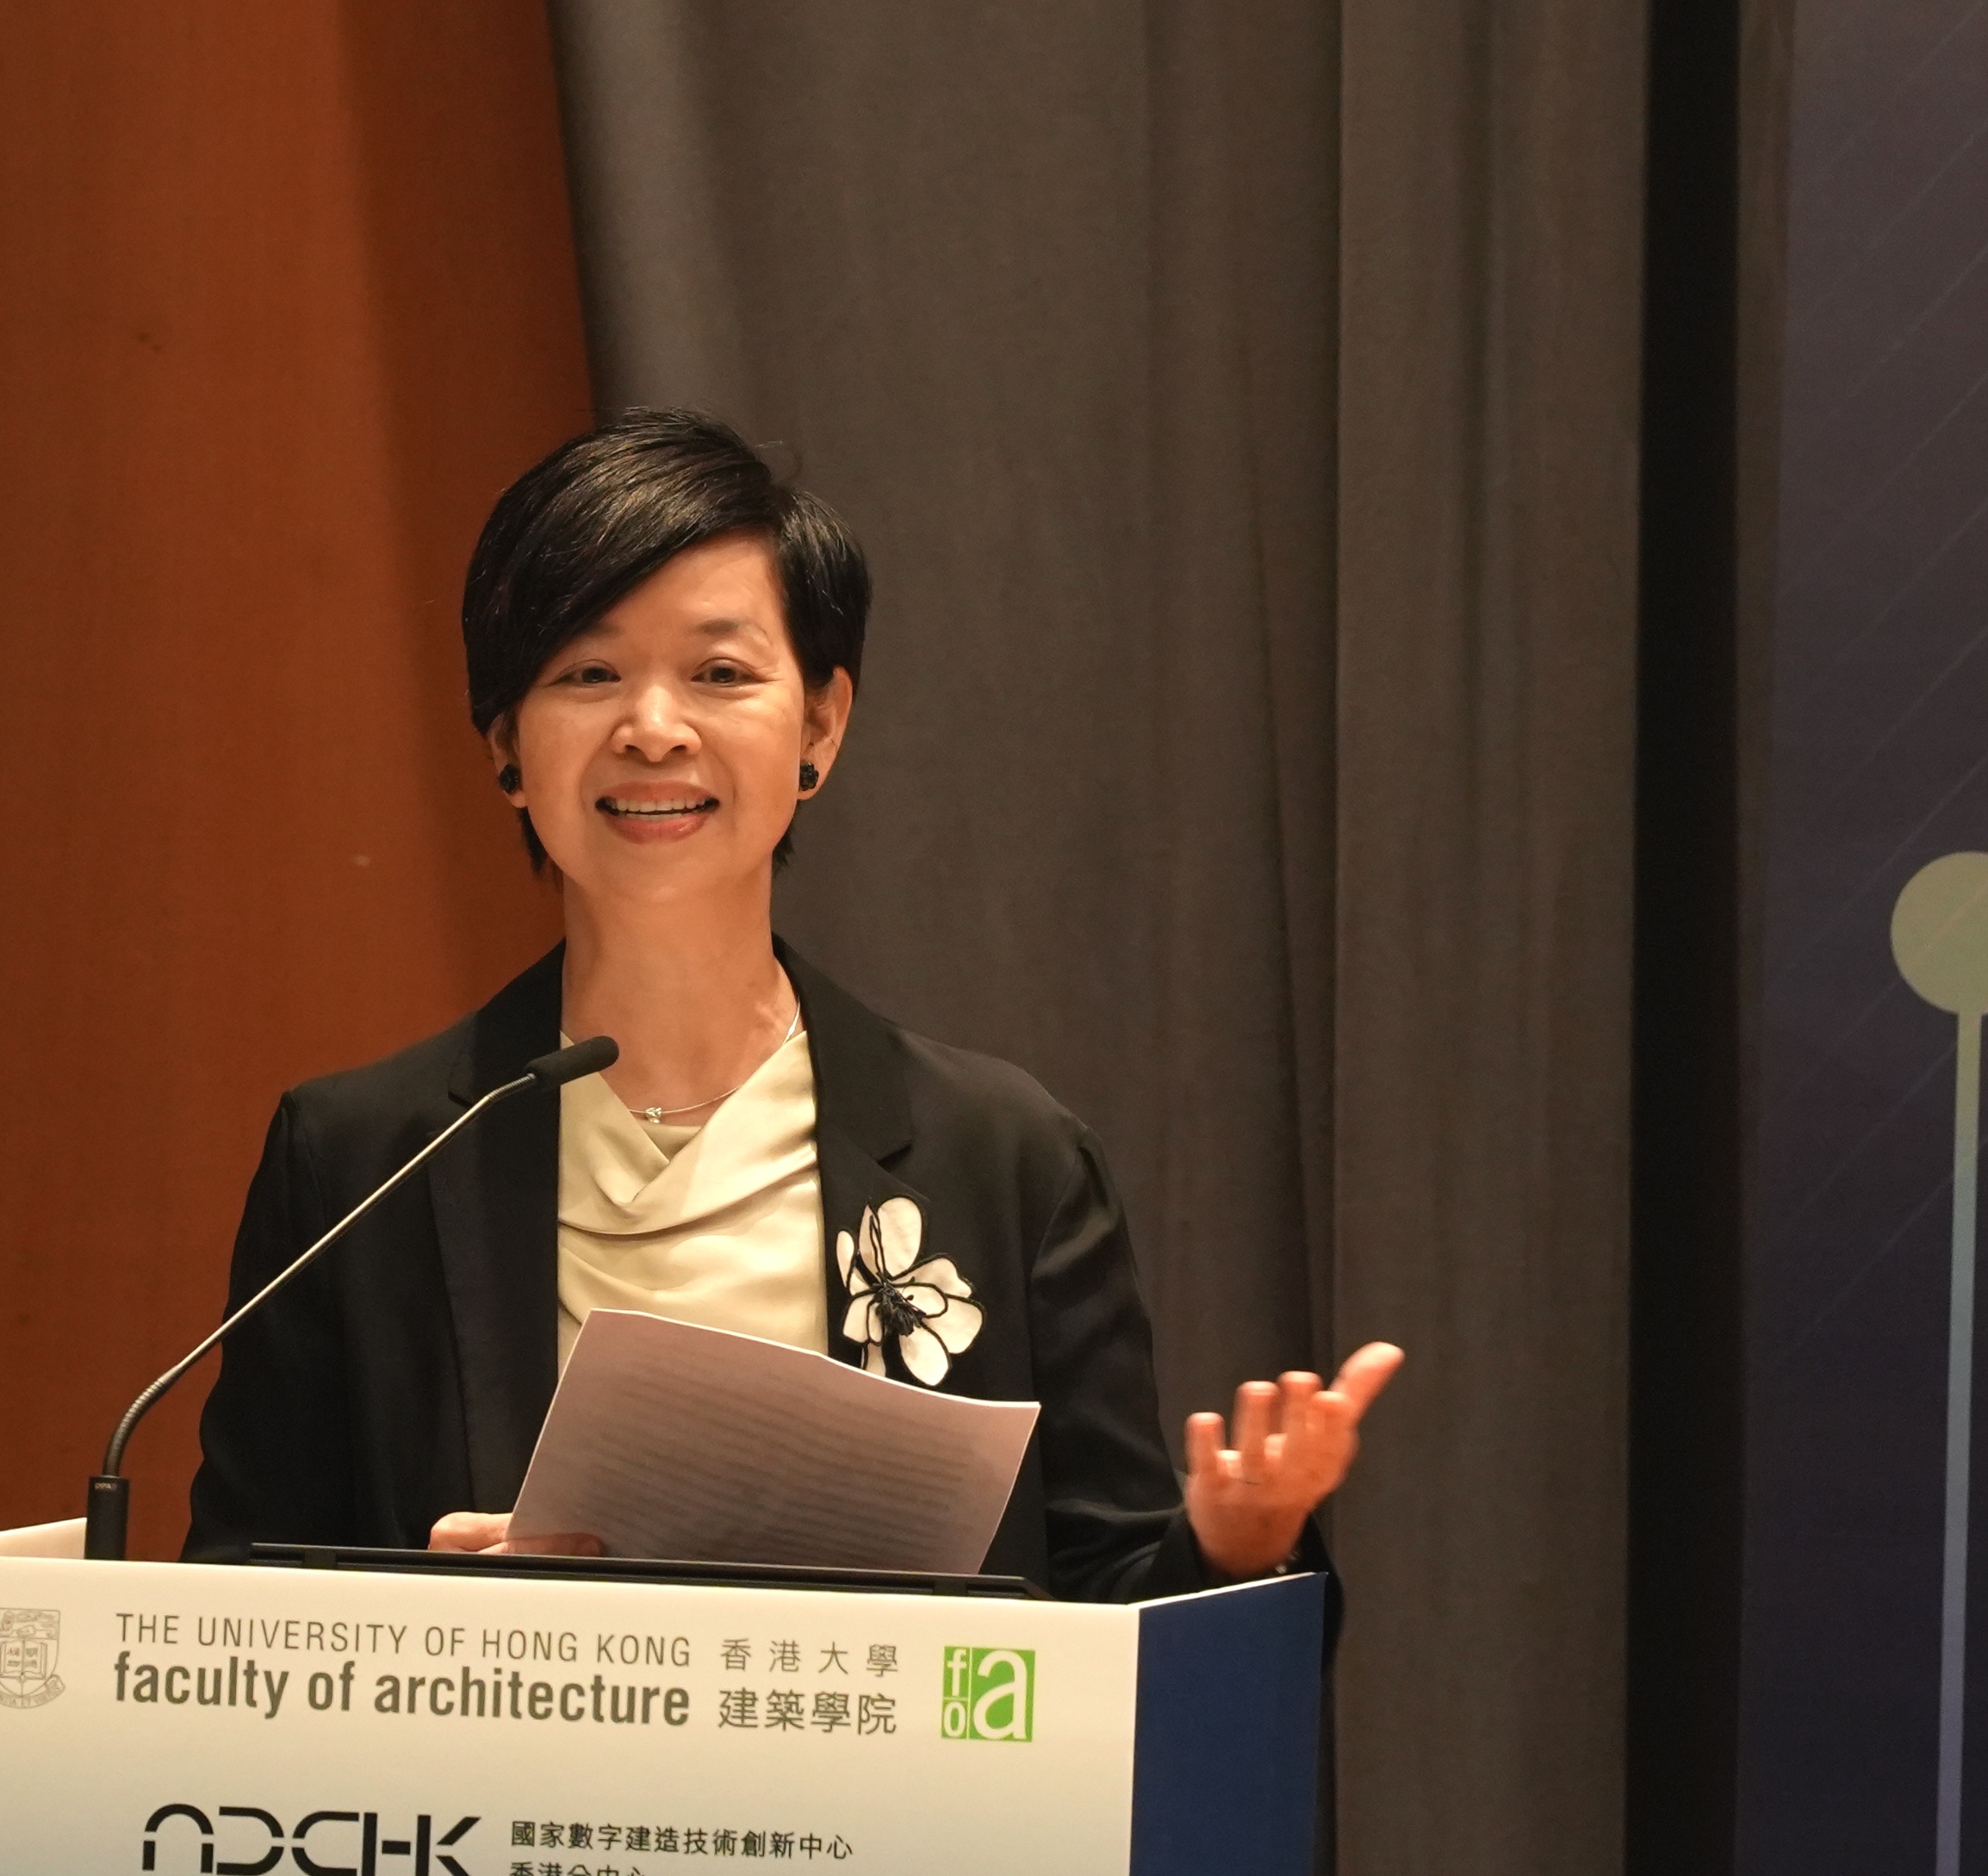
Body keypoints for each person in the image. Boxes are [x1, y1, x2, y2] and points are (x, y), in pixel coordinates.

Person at [183, 411, 1400, 1597]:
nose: (652, 729)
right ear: (506, 740)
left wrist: (1235, 1545)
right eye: (589, 673)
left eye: (719, 674)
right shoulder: (363, 1162)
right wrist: (425, 1615)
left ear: (820, 723)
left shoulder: (1001, 1158)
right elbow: (235, 1597)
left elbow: (1103, 1601)